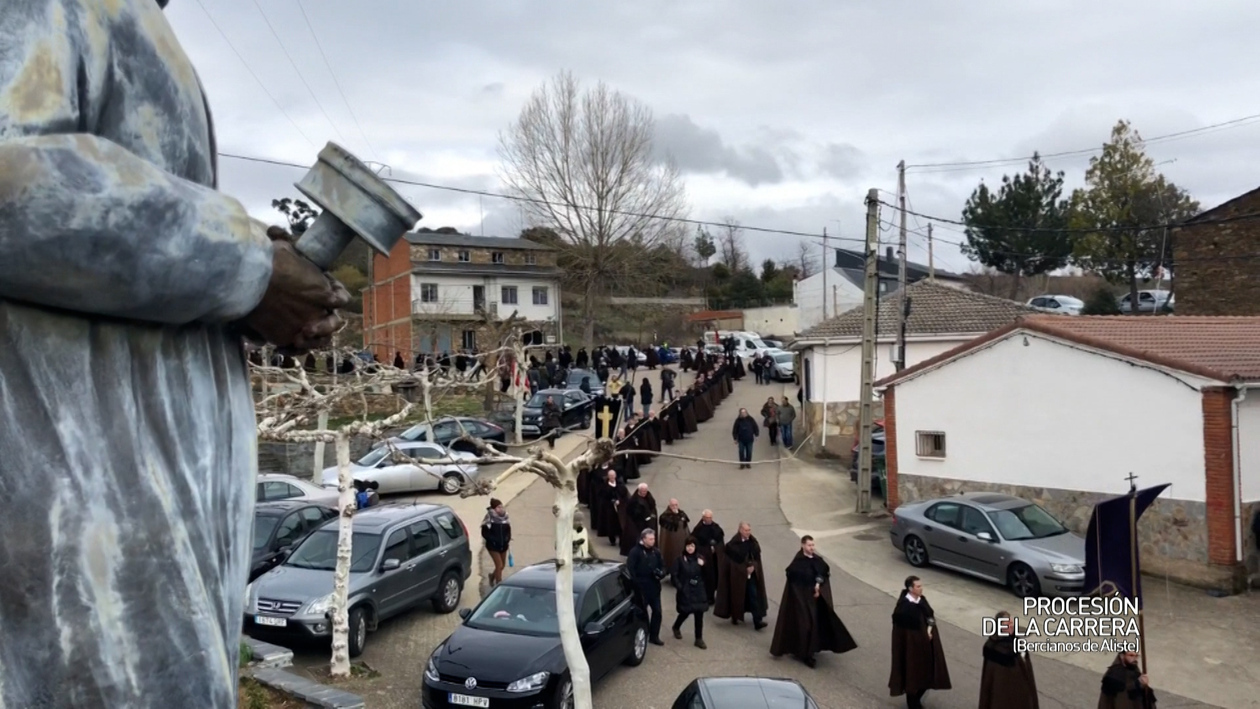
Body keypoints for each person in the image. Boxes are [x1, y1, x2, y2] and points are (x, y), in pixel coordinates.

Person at [0, 0, 354, 704]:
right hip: (87, 546)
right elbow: (12, 182)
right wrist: (248, 268)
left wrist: (253, 299)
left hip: (142, 540)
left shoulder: (128, 20)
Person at [770, 535, 857, 667]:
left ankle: (810, 651)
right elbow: (792, 577)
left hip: (815, 599)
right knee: (805, 625)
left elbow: (823, 571)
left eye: (813, 545)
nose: (812, 548)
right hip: (801, 599)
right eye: (809, 545)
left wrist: (818, 584)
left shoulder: (817, 560)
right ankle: (805, 654)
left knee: (816, 624)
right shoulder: (797, 562)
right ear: (803, 545)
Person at [889, 576, 952, 709]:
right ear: (910, 588)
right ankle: (912, 702)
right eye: (918, 586)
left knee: (927, 671)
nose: (921, 588)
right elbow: (901, 633)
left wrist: (929, 630)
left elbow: (930, 616)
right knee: (911, 672)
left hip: (925, 645)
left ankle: (917, 698)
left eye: (921, 586)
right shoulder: (903, 608)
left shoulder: (922, 601)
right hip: (911, 648)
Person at [979, 611, 1038, 709]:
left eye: (1011, 623)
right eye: (1007, 624)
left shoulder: (1015, 642)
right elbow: (991, 676)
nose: (1011, 626)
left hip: (1017, 689)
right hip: (1002, 690)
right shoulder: (993, 647)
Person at [713, 522, 767, 630]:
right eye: (746, 530)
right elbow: (730, 563)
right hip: (737, 577)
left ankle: (757, 621)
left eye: (749, 530)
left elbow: (756, 558)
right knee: (737, 596)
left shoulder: (753, 543)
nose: (748, 533)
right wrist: (743, 569)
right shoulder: (732, 545)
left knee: (753, 596)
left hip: (751, 576)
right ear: (740, 530)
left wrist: (753, 567)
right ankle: (735, 616)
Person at [626, 529, 666, 646]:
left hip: (654, 587)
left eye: (653, 539)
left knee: (657, 612)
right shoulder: (635, 552)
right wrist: (636, 584)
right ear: (643, 539)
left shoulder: (656, 552)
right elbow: (631, 569)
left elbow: (663, 565)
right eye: (650, 539)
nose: (653, 541)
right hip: (641, 588)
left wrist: (662, 573)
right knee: (642, 614)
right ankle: (642, 634)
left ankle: (654, 636)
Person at [670, 537, 708, 649]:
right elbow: (674, 575)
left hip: (698, 590)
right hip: (685, 590)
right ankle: (676, 627)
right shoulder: (680, 560)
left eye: (692, 546)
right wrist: (680, 587)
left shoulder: (700, 559)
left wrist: (703, 566)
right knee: (685, 611)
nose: (690, 548)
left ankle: (699, 638)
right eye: (688, 546)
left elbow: (706, 575)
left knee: (699, 614)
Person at [691, 511, 725, 605]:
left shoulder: (716, 527)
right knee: (706, 577)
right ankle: (705, 597)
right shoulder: (698, 529)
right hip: (705, 559)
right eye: (707, 517)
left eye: (710, 517)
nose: (709, 519)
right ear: (703, 518)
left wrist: (716, 547)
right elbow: (695, 542)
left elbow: (720, 540)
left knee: (715, 576)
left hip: (714, 558)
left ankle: (712, 596)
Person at [620, 483, 659, 557]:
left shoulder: (649, 497)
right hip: (637, 524)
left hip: (648, 523)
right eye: (642, 491)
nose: (644, 493)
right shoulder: (634, 500)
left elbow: (652, 506)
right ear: (639, 490)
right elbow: (631, 512)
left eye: (645, 491)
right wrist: (643, 516)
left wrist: (651, 516)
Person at [593, 468, 627, 547]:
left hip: (619, 508)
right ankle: (612, 539)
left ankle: (621, 540)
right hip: (609, 509)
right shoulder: (604, 486)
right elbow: (602, 497)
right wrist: (611, 501)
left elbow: (624, 495)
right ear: (608, 476)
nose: (612, 477)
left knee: (621, 523)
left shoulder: (620, 484)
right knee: (611, 524)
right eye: (610, 476)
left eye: (613, 475)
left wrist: (619, 500)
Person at [481, 499, 512, 586]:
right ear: (494, 508)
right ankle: (499, 583)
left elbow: (508, 530)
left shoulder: (505, 517)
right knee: (499, 565)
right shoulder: (489, 518)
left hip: (503, 546)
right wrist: (493, 540)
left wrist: (507, 539)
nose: (501, 508)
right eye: (498, 507)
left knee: (502, 565)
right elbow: (485, 533)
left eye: (501, 506)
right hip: (493, 546)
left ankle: (492, 576)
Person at [658, 499, 691, 572]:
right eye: (673, 505)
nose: (674, 507)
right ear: (669, 506)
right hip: (671, 544)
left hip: (682, 542)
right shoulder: (665, 517)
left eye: (676, 505)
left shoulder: (682, 514)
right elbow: (664, 535)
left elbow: (686, 527)